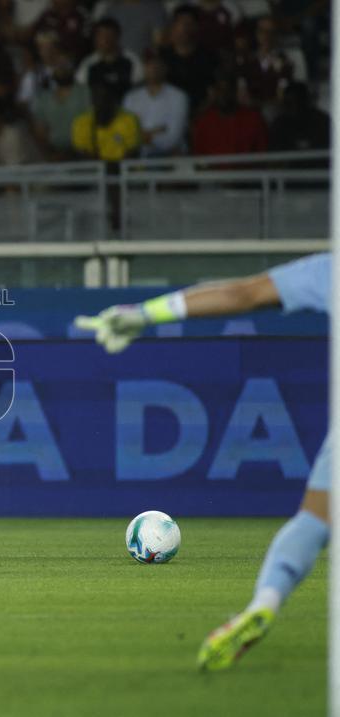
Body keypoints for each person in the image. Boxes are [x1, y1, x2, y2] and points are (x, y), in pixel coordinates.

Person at [74, 252, 330, 670]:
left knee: (314, 522)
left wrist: (143, 313)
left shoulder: (329, 270)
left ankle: (264, 602)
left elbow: (242, 293)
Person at [123, 52, 188, 156]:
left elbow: (174, 138)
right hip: (139, 159)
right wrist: (157, 131)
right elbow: (126, 134)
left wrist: (142, 135)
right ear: (144, 68)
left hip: (170, 159)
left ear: (165, 68)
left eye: (157, 65)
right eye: (149, 65)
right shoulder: (131, 98)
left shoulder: (179, 97)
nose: (153, 69)